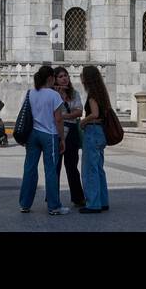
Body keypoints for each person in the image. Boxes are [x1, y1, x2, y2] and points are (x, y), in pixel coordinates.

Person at [18, 64, 69, 216]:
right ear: (50, 78)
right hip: (49, 134)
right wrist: (62, 139)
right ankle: (54, 206)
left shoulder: (31, 93)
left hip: (33, 134)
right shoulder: (54, 95)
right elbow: (58, 119)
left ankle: (24, 203)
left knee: (29, 168)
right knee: (51, 170)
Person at [78, 65, 111, 213]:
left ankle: (93, 204)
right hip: (101, 133)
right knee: (98, 168)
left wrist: (83, 122)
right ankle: (103, 201)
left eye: (83, 75)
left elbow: (95, 114)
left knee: (90, 169)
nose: (81, 78)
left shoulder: (92, 95)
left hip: (92, 131)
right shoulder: (102, 93)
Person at [53, 66, 85, 207]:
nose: (64, 78)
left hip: (71, 130)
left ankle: (77, 197)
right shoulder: (52, 94)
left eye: (66, 75)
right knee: (55, 166)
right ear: (55, 79)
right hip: (57, 130)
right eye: (60, 76)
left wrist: (64, 115)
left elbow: (79, 112)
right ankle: (53, 197)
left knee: (72, 165)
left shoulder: (75, 93)